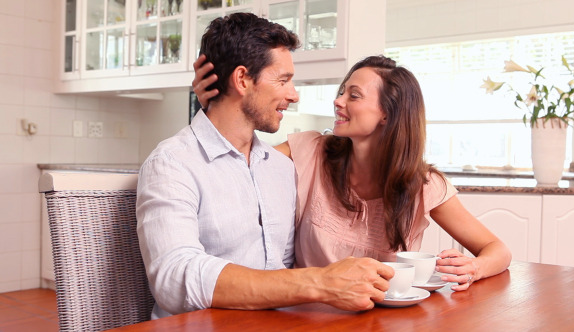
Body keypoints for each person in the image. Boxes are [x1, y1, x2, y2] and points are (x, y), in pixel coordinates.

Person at [136, 13, 394, 320]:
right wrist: (320, 282)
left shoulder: (279, 168)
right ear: (242, 79)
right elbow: (174, 277)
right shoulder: (172, 163)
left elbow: (279, 268)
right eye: (283, 80)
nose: (294, 95)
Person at [192, 54, 512, 292]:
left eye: (353, 95)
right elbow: (236, 163)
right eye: (342, 91)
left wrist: (474, 267)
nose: (338, 101)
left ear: (388, 114)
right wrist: (218, 107)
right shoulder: (311, 152)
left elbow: (497, 250)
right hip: (305, 316)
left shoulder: (423, 184)